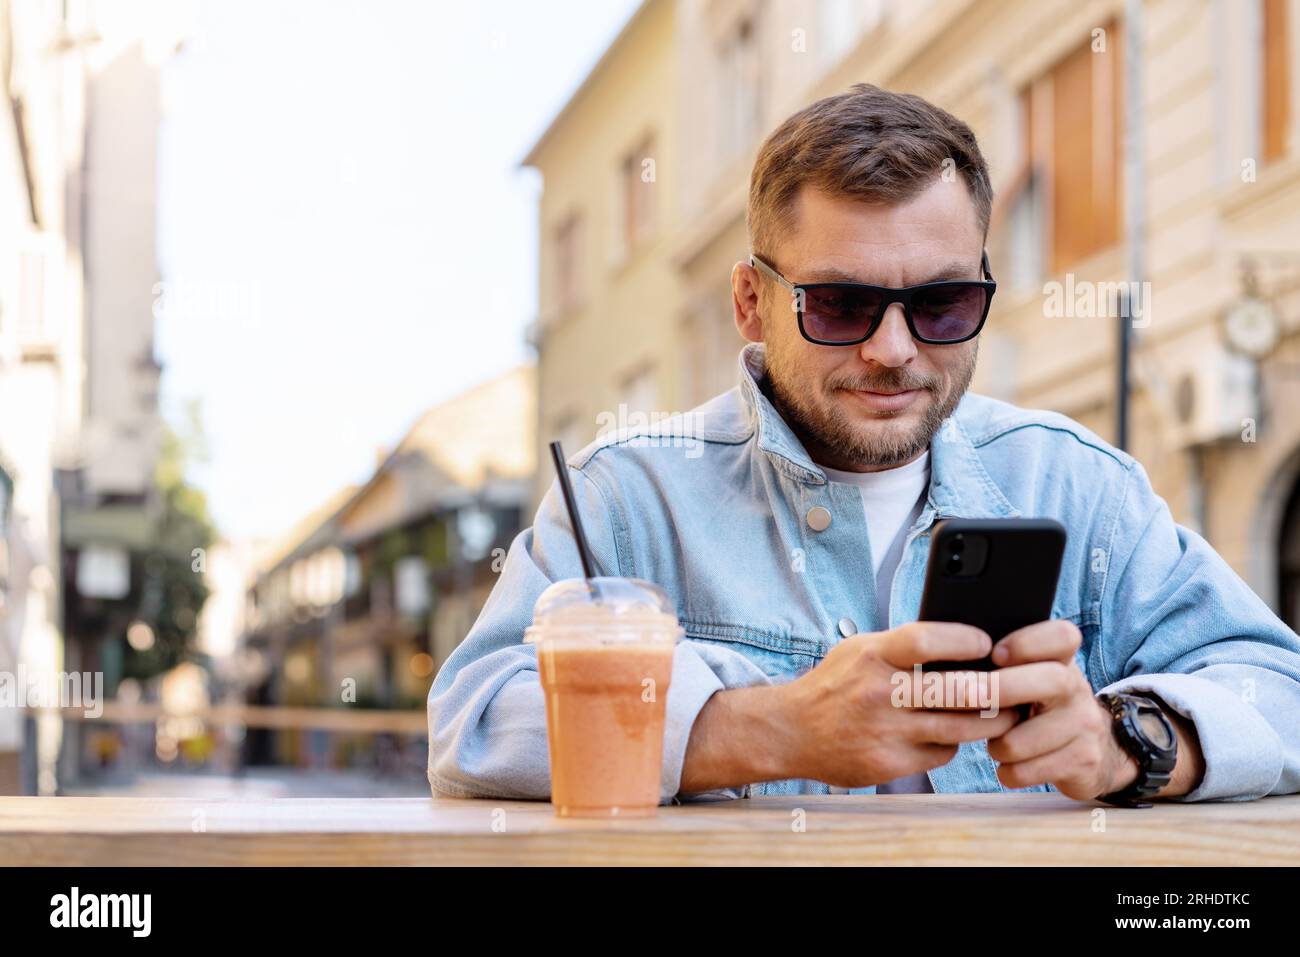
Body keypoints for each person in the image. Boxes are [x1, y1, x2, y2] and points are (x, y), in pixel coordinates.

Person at [427, 84, 1300, 805]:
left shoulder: (1076, 483)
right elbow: (473, 722)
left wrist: (1125, 744)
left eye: (943, 304)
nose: (893, 349)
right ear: (749, 303)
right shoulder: (625, 496)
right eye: (841, 305)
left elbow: (1279, 688)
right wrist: (771, 727)